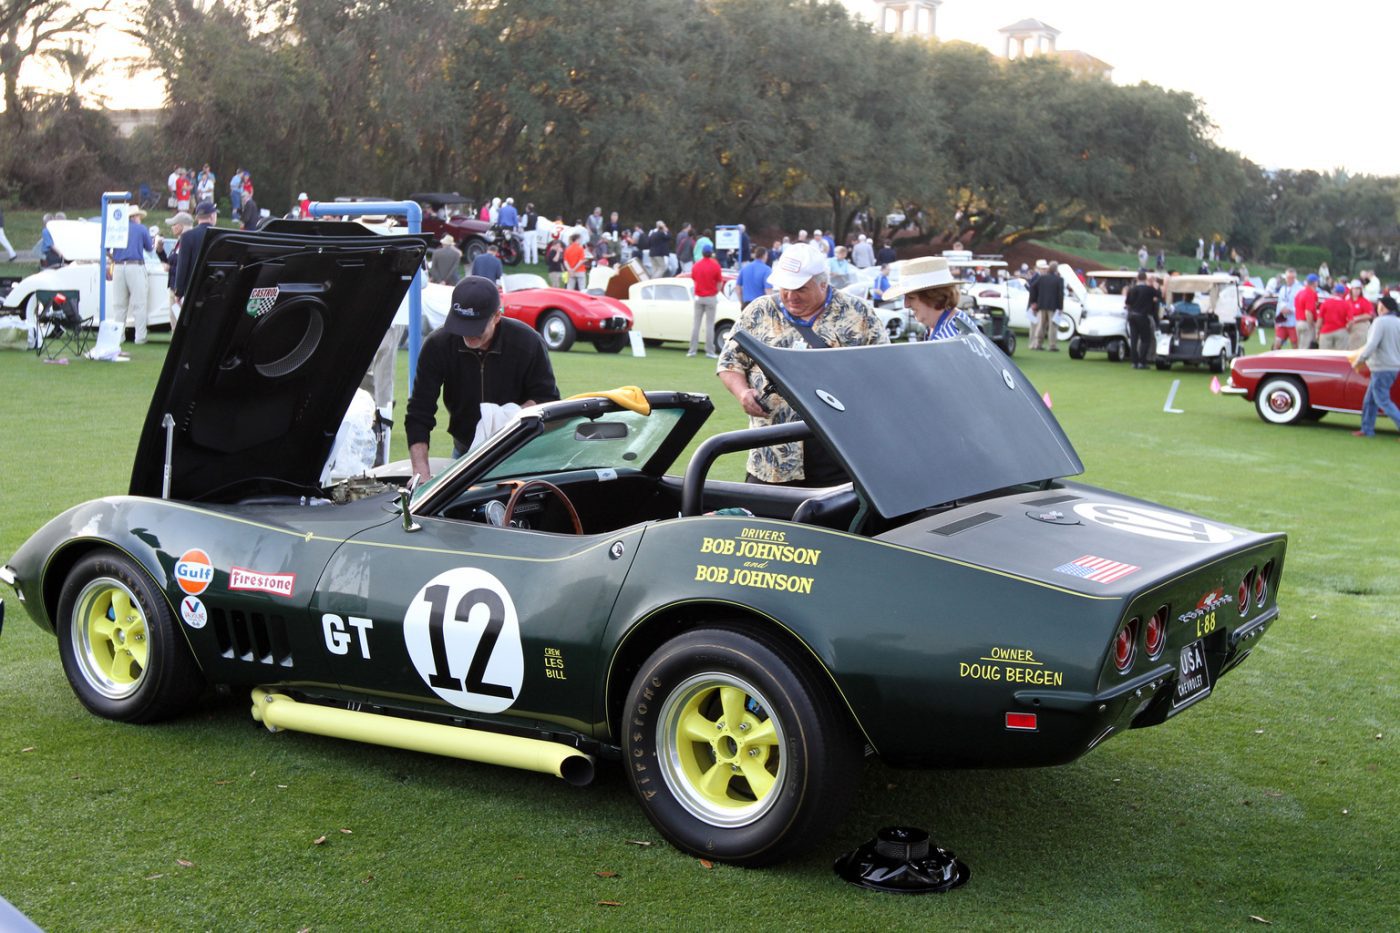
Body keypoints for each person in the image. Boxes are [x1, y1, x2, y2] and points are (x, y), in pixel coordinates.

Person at [716, 242, 888, 487]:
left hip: (840, 456)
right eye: (785, 288)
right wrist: (742, 393)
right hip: (772, 457)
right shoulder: (759, 311)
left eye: (800, 289)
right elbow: (729, 362)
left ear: (823, 284)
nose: (790, 296)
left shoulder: (858, 313)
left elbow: (884, 370)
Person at [405, 276, 559, 481]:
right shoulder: (438, 345)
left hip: (519, 450)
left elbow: (548, 399)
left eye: (475, 328)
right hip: (465, 450)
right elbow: (419, 411)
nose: (468, 335)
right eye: (461, 326)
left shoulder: (528, 343)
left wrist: (507, 418)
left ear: (496, 316)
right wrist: (420, 471)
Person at [882, 256, 974, 341]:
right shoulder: (954, 322)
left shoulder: (947, 340)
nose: (906, 305)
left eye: (911, 297)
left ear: (933, 296)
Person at [1349, 295, 1400, 438]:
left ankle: (1368, 428)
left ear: (1382, 307)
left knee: (1382, 400)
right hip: (1393, 367)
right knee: (1370, 400)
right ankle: (1367, 429)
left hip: (1381, 366)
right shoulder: (1398, 322)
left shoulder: (1380, 322)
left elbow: (1371, 344)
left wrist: (1359, 360)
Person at [106, 205, 154, 344]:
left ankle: (118, 336)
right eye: (138, 216)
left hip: (118, 266)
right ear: (134, 217)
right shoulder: (141, 229)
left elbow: (105, 249)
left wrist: (114, 258)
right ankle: (140, 337)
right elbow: (149, 248)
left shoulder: (117, 229)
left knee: (119, 305)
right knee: (139, 304)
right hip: (135, 265)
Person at [174, 201, 218, 302]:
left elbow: (182, 266)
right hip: (214, 289)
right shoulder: (220, 235)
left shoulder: (187, 236)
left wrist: (179, 292)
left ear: (198, 217)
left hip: (192, 290)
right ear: (212, 216)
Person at [1123, 270, 1162, 368]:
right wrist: (1156, 286)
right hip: (1143, 316)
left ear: (1137, 278)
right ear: (1145, 278)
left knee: (1134, 339)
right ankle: (1142, 361)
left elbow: (1127, 303)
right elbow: (1159, 295)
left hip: (1132, 315)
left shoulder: (1132, 289)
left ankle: (1134, 362)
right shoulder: (1149, 289)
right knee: (1145, 339)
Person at [689, 243, 723, 357]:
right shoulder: (715, 265)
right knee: (709, 325)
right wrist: (716, 292)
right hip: (710, 297)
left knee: (696, 324)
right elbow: (719, 282)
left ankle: (692, 350)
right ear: (711, 253)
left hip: (699, 297)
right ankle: (709, 351)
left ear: (702, 253)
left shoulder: (696, 265)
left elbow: (694, 279)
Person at [1029, 260, 1065, 351]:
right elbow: (1060, 295)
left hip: (1041, 305)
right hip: (1053, 306)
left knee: (1041, 325)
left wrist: (1034, 301)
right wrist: (1061, 307)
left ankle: (1038, 343)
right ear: (1056, 269)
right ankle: (1052, 345)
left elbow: (1032, 287)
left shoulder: (1042, 278)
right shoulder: (1059, 280)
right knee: (1053, 326)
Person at [1272, 267, 1302, 350]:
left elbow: (1300, 305)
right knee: (1277, 344)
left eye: (1292, 278)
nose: (1290, 280)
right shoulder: (1282, 289)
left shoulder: (1299, 289)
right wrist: (1277, 318)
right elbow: (1279, 303)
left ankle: (1296, 358)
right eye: (1288, 278)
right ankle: (1275, 357)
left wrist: (1291, 310)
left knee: (1295, 344)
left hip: (1293, 322)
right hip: (1282, 322)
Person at [1317, 284, 1351, 350]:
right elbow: (1351, 320)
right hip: (1341, 330)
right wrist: (1348, 329)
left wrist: (1318, 330)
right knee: (1340, 354)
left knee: (1325, 353)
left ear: (1334, 292)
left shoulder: (1326, 303)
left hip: (1326, 331)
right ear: (1343, 293)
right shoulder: (1346, 304)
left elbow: (1320, 319)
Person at [1345, 279, 1374, 350]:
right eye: (1354, 289)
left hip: (1361, 327)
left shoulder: (1364, 301)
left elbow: (1369, 315)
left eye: (1358, 289)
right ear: (1351, 290)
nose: (1356, 291)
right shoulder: (1347, 301)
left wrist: (1355, 318)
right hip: (1349, 328)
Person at [1296, 273, 1321, 349]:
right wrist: (1312, 325)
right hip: (1306, 323)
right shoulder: (1309, 294)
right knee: (1305, 349)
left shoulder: (1300, 292)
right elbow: (1308, 312)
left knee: (1300, 346)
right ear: (1315, 283)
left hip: (1298, 322)